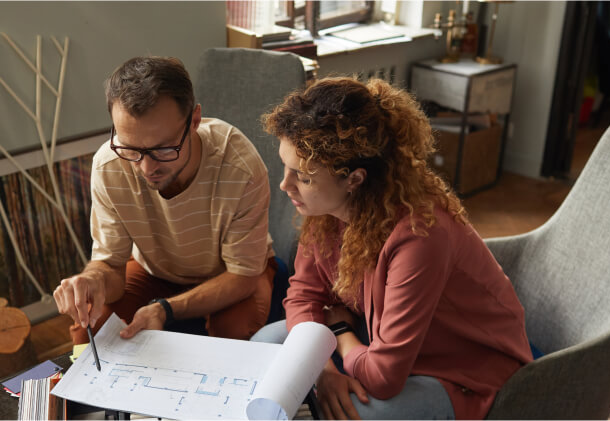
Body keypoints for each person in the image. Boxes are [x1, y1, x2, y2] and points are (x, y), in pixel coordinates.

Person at [251, 77, 532, 420]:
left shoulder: (420, 235)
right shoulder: (326, 210)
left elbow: (383, 378)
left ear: (354, 179)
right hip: (374, 336)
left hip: (461, 371)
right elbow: (303, 296)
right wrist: (323, 371)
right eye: (287, 167)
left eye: (303, 177)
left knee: (349, 414)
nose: (285, 185)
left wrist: (340, 333)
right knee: (264, 346)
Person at [53, 56, 275, 343]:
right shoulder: (109, 165)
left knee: (232, 331)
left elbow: (243, 277)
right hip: (154, 270)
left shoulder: (239, 167)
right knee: (90, 331)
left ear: (194, 120)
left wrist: (165, 309)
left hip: (231, 273)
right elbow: (111, 269)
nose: (147, 168)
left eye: (164, 149)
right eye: (131, 149)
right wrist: (94, 278)